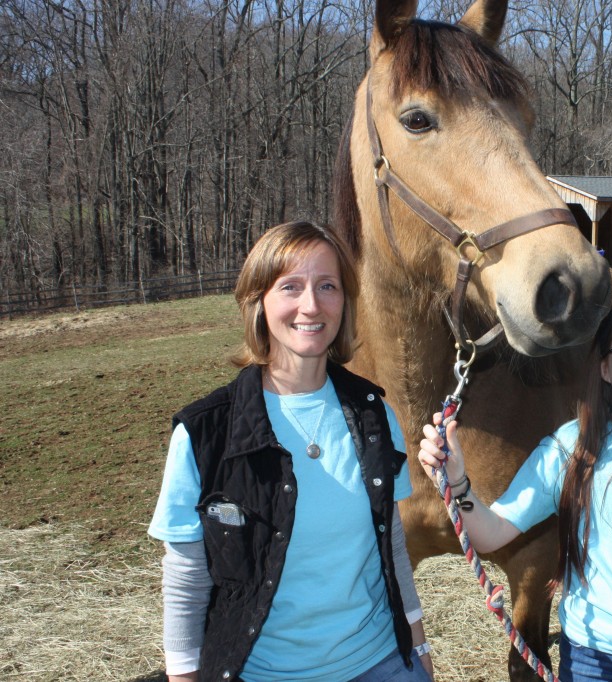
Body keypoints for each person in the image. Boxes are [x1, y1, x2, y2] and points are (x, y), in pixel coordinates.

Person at [148, 221, 434, 682]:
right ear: (258, 301)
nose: (311, 305)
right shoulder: (205, 434)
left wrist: (418, 646)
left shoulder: (374, 415)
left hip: (380, 662)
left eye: (327, 286)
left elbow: (392, 548)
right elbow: (186, 582)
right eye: (290, 287)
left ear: (345, 301)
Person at [418, 294, 612, 682]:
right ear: (604, 367)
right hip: (588, 657)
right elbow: (491, 533)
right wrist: (457, 482)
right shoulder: (571, 447)